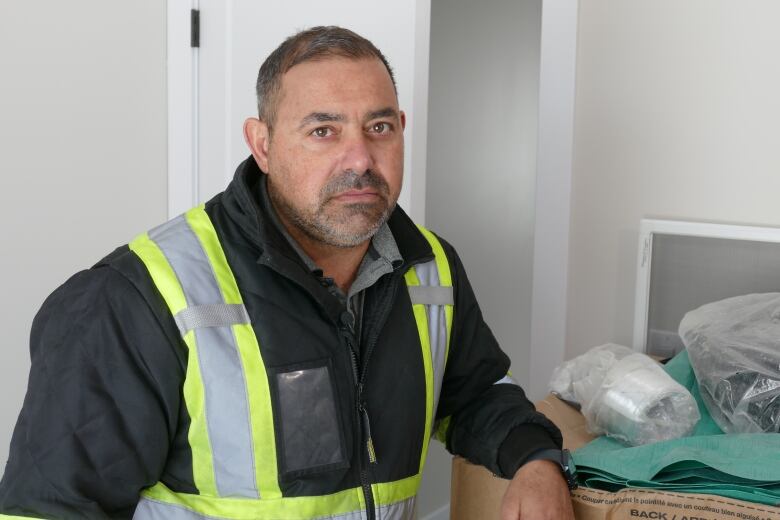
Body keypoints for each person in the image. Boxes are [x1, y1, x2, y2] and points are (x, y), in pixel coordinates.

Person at [0, 26, 574, 520]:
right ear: (263, 144)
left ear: (401, 128)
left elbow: (473, 392)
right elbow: (53, 505)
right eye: (323, 131)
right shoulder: (136, 296)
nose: (359, 159)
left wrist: (535, 460)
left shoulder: (429, 265)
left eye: (378, 128)